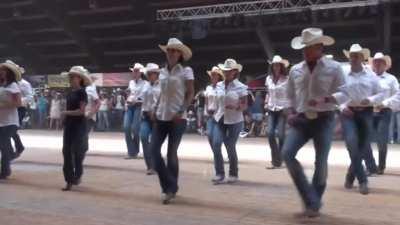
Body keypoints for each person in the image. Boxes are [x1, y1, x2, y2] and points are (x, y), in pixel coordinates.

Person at [282, 28, 345, 217]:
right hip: (300, 119)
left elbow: (345, 93)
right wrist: (289, 113)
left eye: (309, 47)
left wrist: (325, 100)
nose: (305, 51)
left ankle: (312, 204)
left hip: (324, 119)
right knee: (287, 153)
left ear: (320, 47)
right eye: (304, 48)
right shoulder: (295, 70)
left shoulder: (334, 68)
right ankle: (311, 199)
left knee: (321, 162)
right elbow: (289, 97)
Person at [328, 44, 385, 195]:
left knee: (362, 146)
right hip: (349, 113)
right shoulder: (344, 74)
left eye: (356, 56)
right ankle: (363, 181)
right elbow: (336, 93)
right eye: (351, 55)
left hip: (366, 112)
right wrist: (341, 107)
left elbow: (381, 93)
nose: (353, 58)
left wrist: (371, 99)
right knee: (352, 143)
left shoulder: (371, 75)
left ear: (362, 58)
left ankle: (350, 174)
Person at [151, 38, 194, 204]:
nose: (171, 53)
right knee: (153, 151)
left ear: (180, 54)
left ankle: (168, 190)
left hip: (177, 118)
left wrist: (182, 110)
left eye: (175, 51)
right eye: (169, 50)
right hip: (161, 116)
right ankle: (171, 185)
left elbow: (190, 92)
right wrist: (155, 108)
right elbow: (161, 93)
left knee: (171, 154)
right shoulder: (162, 72)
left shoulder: (186, 71)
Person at [211, 59, 248, 185]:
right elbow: (216, 101)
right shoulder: (219, 85)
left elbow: (244, 105)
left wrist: (237, 107)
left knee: (230, 146)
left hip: (235, 121)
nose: (226, 73)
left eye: (229, 71)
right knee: (216, 144)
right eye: (225, 71)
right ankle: (219, 174)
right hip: (220, 118)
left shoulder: (241, 87)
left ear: (235, 72)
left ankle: (233, 173)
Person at [367, 52, 398, 175]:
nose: (378, 64)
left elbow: (398, 95)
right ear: (373, 64)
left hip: (384, 112)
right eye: (376, 62)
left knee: (382, 139)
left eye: (380, 62)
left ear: (385, 65)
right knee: (365, 139)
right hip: (368, 111)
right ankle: (371, 165)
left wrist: (385, 103)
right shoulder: (368, 78)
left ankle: (381, 166)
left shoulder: (391, 79)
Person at [61, 66, 91, 191]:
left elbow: (81, 111)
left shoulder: (82, 92)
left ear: (80, 79)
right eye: (70, 77)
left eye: (73, 77)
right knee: (66, 152)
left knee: (78, 153)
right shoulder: (70, 93)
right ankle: (69, 180)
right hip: (69, 126)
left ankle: (78, 175)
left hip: (79, 126)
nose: (71, 79)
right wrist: (65, 118)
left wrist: (66, 113)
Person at [264, 55, 291, 169]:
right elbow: (268, 92)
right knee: (270, 133)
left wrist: (288, 107)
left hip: (282, 109)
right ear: (272, 66)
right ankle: (276, 158)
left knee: (281, 135)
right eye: (274, 65)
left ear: (281, 66)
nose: (276, 67)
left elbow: (290, 94)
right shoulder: (268, 79)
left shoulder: (287, 79)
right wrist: (266, 102)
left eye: (278, 65)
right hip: (271, 108)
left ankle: (279, 159)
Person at [0, 60, 23, 179]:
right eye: (1, 70)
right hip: (1, 121)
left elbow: (18, 103)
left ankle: (4, 171)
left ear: (9, 73)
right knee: (3, 146)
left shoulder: (13, 86)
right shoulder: (1, 85)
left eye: (4, 70)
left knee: (4, 145)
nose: (1, 72)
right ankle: (12, 154)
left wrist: (2, 105)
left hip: (10, 122)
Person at [140, 63, 161, 175]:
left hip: (158, 117)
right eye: (147, 73)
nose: (148, 75)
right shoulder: (145, 85)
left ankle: (156, 164)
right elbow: (141, 99)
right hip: (145, 115)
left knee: (154, 142)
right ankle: (149, 165)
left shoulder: (162, 85)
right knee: (143, 137)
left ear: (156, 74)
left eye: (151, 73)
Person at [124, 63, 147, 159]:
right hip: (130, 106)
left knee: (135, 129)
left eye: (136, 71)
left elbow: (144, 97)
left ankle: (134, 151)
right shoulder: (131, 82)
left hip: (139, 106)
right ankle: (131, 151)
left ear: (140, 73)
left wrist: (136, 101)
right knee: (126, 127)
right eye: (133, 71)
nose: (134, 72)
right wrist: (126, 101)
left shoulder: (145, 84)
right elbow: (129, 93)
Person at [11, 76, 33, 159]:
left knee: (12, 128)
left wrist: (18, 101)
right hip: (9, 108)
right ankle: (17, 147)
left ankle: (15, 149)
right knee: (7, 128)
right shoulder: (8, 83)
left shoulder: (25, 84)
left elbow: (30, 97)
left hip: (20, 108)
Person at [204, 66, 224, 150]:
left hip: (219, 115)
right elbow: (206, 100)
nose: (212, 76)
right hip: (210, 114)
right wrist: (205, 112)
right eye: (212, 74)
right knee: (209, 134)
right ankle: (216, 153)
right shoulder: (208, 88)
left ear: (219, 76)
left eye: (214, 74)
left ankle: (217, 152)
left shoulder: (222, 87)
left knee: (217, 137)